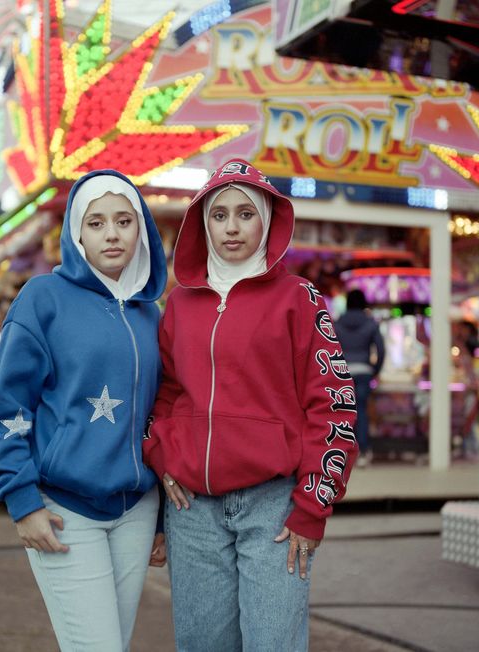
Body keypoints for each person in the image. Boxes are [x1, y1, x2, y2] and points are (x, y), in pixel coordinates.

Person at [142, 159, 358, 651]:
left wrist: (312, 507)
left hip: (275, 508)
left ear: (267, 221)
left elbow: (333, 406)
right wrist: (163, 452)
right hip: (192, 511)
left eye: (245, 213)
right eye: (219, 215)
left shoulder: (299, 299)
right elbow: (166, 394)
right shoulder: (180, 304)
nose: (232, 226)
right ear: (202, 224)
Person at [0, 170, 168, 652]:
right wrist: (22, 500)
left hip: (136, 511)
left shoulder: (152, 314)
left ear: (142, 229)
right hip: (64, 510)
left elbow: (161, 416)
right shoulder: (43, 299)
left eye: (125, 221)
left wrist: (163, 517)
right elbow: (9, 409)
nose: (112, 233)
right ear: (76, 233)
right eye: (97, 222)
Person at [334, 289, 385, 467]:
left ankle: (344, 454)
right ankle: (363, 451)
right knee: (361, 411)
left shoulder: (337, 323)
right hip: (363, 371)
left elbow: (330, 348)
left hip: (342, 373)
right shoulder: (371, 324)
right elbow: (381, 349)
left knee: (343, 414)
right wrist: (374, 370)